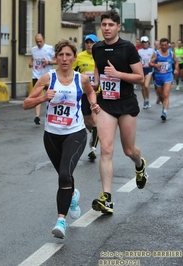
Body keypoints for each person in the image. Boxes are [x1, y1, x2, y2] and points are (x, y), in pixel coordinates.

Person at [23, 40, 100, 239]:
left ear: (74, 57)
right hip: (51, 135)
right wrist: (43, 98)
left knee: (65, 175)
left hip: (75, 132)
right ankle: (73, 195)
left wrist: (93, 105)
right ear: (55, 58)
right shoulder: (48, 78)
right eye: (61, 55)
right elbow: (26, 103)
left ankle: (61, 221)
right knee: (64, 176)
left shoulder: (81, 79)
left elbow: (91, 91)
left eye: (68, 55)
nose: (64, 59)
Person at [91, 9, 147, 215]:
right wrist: (94, 83)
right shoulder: (97, 48)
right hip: (106, 103)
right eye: (103, 25)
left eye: (110, 25)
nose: (106, 28)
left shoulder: (128, 48)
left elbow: (140, 77)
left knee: (129, 150)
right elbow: (98, 70)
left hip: (126, 104)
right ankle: (107, 198)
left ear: (118, 27)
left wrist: (117, 74)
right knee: (105, 149)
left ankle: (140, 165)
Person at [72, 34, 100, 161]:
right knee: (87, 120)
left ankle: (93, 149)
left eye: (92, 42)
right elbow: (70, 72)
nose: (89, 45)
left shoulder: (100, 56)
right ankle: (95, 134)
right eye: (87, 42)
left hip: (99, 92)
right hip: (84, 93)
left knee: (95, 119)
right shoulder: (79, 57)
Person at [28, 33, 56, 125]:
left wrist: (48, 62)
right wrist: (31, 63)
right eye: (37, 42)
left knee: (49, 96)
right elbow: (33, 58)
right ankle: (37, 116)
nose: (39, 43)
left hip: (48, 76)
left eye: (40, 41)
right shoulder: (33, 49)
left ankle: (50, 114)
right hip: (36, 76)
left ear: (44, 40)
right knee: (37, 96)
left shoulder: (50, 48)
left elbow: (57, 60)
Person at [149, 38, 179, 121]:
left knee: (165, 94)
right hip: (158, 76)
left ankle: (164, 112)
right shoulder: (156, 53)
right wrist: (155, 65)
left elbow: (176, 61)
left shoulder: (171, 53)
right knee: (160, 95)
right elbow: (150, 63)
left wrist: (176, 69)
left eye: (165, 45)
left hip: (168, 75)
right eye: (162, 45)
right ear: (160, 45)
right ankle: (164, 105)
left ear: (168, 45)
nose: (164, 47)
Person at [137, 36, 155, 109]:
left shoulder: (152, 50)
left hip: (149, 69)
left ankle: (147, 99)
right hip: (141, 69)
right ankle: (145, 100)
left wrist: (153, 63)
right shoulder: (139, 51)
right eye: (143, 42)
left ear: (148, 42)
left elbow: (154, 58)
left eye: (146, 42)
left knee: (146, 85)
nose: (145, 44)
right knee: (143, 87)